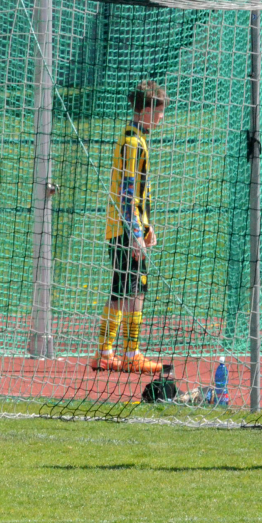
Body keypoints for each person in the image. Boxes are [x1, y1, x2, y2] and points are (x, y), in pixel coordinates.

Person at [92, 80, 167, 374]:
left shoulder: (133, 138)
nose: (161, 118)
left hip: (124, 227)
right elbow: (127, 193)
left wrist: (146, 226)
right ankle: (131, 353)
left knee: (120, 290)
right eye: (159, 112)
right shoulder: (133, 143)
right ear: (146, 110)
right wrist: (136, 235)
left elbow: (137, 194)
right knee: (135, 291)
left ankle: (105, 352)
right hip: (125, 230)